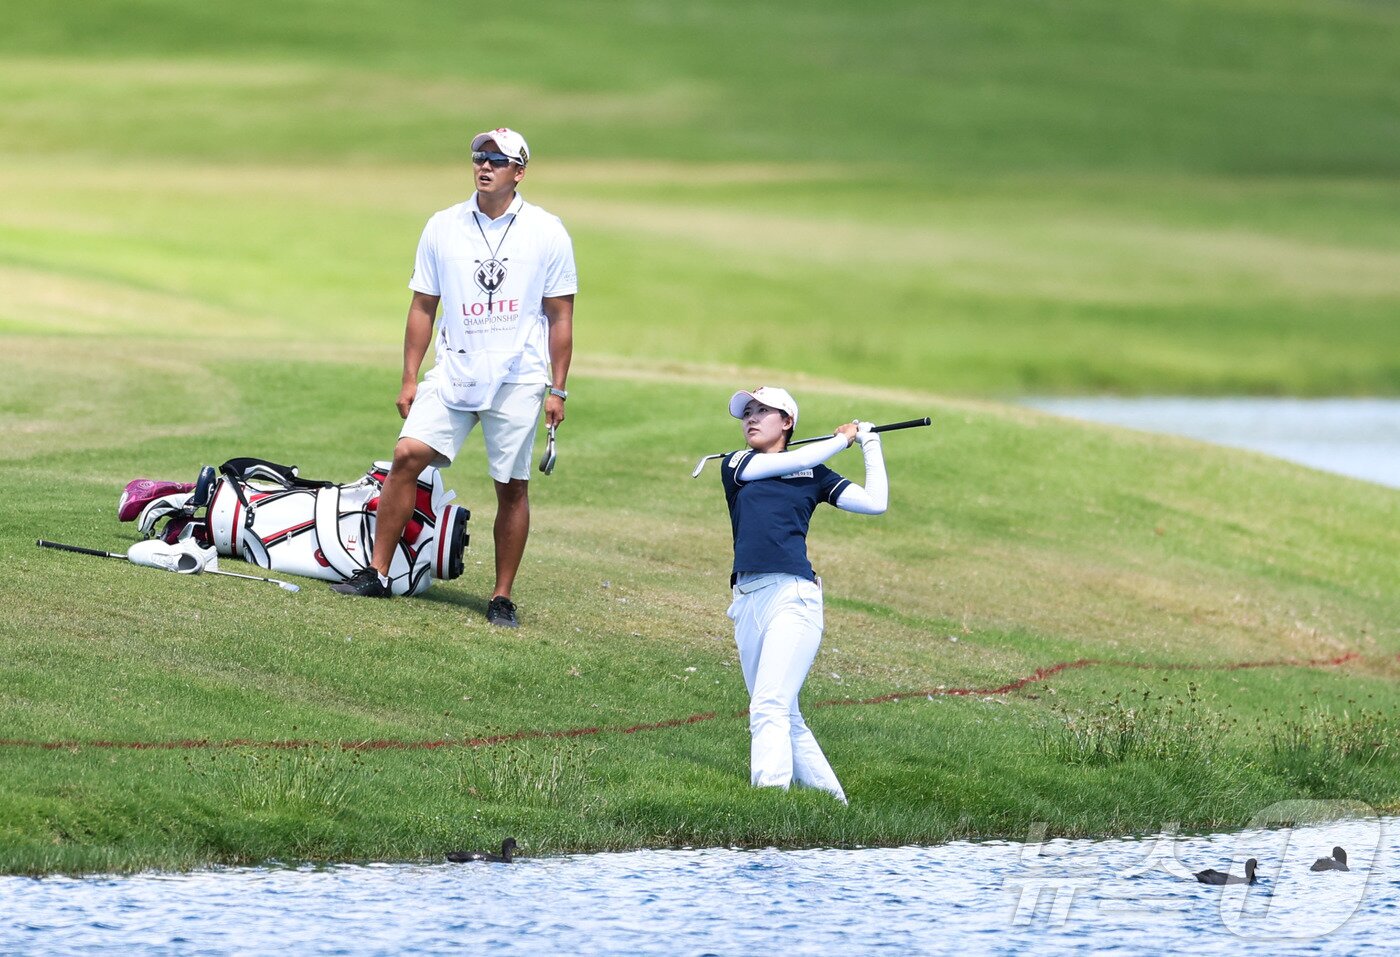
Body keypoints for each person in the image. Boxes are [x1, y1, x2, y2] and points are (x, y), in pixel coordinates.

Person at [332, 126, 577, 628]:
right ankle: (377, 572)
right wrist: (409, 376)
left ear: (519, 172)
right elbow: (423, 305)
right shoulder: (443, 226)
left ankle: (501, 596)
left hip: (518, 374)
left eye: (496, 159)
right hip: (456, 365)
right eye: (478, 156)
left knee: (511, 485)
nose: (484, 165)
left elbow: (560, 316)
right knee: (406, 456)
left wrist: (558, 387)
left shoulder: (547, 231)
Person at [719, 386, 888, 803]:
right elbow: (797, 458)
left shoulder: (814, 474)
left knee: (769, 706)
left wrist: (869, 444)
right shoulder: (738, 463)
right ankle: (835, 806)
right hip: (747, 600)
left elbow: (875, 502)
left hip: (793, 597)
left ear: (788, 422)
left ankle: (769, 803)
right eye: (747, 413)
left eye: (763, 411)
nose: (751, 419)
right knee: (784, 712)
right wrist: (840, 440)